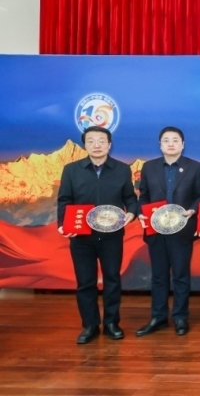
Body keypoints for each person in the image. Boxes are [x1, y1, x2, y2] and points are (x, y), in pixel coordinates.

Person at [57, 126, 137, 344]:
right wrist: (62, 224)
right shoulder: (71, 170)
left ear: (109, 145)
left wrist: (132, 212)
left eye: (101, 141)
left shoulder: (122, 169)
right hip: (82, 236)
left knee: (112, 279)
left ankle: (111, 323)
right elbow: (64, 200)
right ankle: (90, 325)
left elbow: (130, 198)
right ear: (85, 145)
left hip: (112, 235)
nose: (97, 145)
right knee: (85, 282)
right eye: (91, 141)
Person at [135, 126, 200, 337]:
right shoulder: (149, 167)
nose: (171, 143)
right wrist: (141, 212)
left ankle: (180, 317)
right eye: (166, 140)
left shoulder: (195, 167)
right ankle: (158, 317)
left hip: (182, 229)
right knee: (158, 276)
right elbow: (143, 196)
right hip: (156, 230)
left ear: (183, 144)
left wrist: (193, 209)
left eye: (175, 140)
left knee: (181, 275)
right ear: (160, 145)